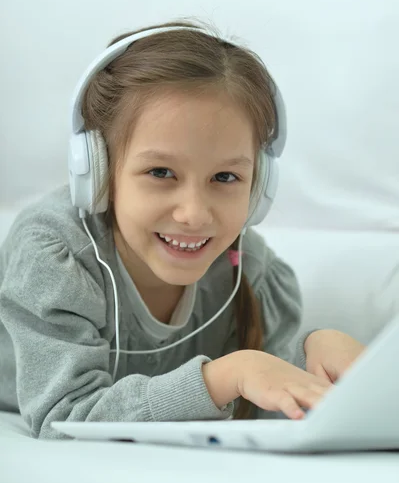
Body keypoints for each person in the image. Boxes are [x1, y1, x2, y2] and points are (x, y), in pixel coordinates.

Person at [0, 21, 365, 439]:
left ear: (260, 186)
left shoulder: (251, 272)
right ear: (97, 172)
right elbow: (63, 418)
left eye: (225, 177)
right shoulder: (54, 255)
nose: (194, 214)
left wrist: (312, 363)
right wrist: (224, 377)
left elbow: (266, 404)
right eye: (161, 172)